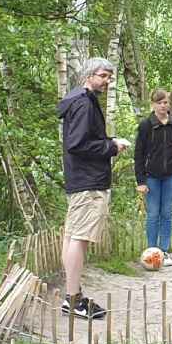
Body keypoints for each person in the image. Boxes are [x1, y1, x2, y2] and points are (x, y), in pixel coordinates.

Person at [59, 59, 127, 318]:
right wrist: (111, 147)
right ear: (89, 76)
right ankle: (73, 300)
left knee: (72, 236)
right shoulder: (84, 104)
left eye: (109, 76)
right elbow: (78, 145)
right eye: (103, 76)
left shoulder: (80, 100)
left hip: (80, 179)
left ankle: (72, 295)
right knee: (79, 238)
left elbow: (84, 140)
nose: (107, 81)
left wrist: (109, 141)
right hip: (88, 181)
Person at [133, 88, 172, 265]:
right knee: (153, 214)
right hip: (152, 176)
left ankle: (164, 252)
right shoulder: (145, 125)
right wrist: (141, 181)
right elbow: (139, 155)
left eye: (165, 102)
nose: (163, 106)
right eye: (159, 103)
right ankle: (152, 252)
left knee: (166, 212)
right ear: (153, 105)